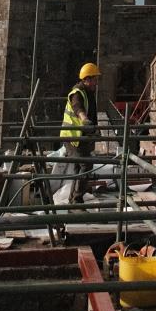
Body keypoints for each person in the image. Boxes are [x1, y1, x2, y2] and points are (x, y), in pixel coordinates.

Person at [60, 61, 101, 206]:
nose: (97, 82)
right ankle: (77, 201)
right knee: (86, 165)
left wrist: (95, 129)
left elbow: (91, 113)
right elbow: (78, 108)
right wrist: (85, 120)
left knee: (79, 168)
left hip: (80, 137)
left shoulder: (89, 93)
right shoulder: (77, 93)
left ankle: (73, 200)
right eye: (95, 79)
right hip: (72, 137)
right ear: (87, 79)